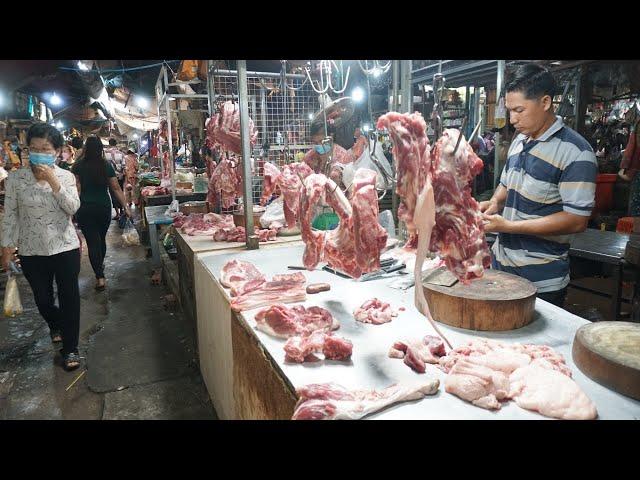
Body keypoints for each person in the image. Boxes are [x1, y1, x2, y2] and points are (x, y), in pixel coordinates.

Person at [480, 64, 598, 308]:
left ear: (545, 102)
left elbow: (576, 220)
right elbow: (506, 184)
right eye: (510, 111)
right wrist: (493, 203)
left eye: (519, 110)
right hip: (501, 268)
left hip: (540, 280)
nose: (513, 120)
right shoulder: (520, 140)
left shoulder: (576, 153)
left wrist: (510, 226)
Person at [0, 122, 82, 370]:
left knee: (70, 298)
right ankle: (56, 323)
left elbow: (72, 208)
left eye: (45, 148)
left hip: (65, 247)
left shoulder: (66, 176)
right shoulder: (15, 180)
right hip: (31, 250)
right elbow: (11, 214)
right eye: (33, 148)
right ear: (27, 150)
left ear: (56, 151)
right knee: (43, 300)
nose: (38, 152)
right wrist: (6, 248)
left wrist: (53, 182)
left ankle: (71, 349)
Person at [72, 137, 130, 291]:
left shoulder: (77, 166)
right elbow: (116, 188)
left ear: (86, 149)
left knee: (92, 242)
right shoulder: (106, 165)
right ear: (100, 149)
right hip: (103, 208)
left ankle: (99, 276)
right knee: (101, 239)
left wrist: (71, 209)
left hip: (84, 208)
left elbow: (76, 189)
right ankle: (99, 267)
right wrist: (126, 206)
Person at [104, 138, 125, 219]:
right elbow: (123, 166)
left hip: (109, 177)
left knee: (113, 194)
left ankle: (117, 213)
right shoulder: (121, 153)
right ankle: (122, 210)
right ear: (116, 144)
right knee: (120, 192)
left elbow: (104, 165)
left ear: (109, 144)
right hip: (119, 177)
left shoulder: (105, 153)